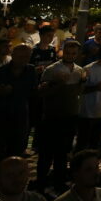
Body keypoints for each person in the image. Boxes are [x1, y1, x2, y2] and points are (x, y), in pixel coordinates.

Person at [38, 40, 86, 190]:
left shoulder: (79, 71)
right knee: (46, 151)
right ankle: (41, 182)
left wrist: (83, 82)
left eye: (73, 53)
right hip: (53, 116)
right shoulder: (52, 69)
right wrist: (57, 83)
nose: (70, 56)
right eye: (67, 53)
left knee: (63, 151)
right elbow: (42, 92)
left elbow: (79, 92)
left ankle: (59, 181)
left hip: (70, 115)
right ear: (62, 52)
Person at [77, 43, 101, 151]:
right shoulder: (88, 69)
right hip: (88, 113)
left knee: (95, 143)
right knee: (83, 143)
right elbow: (80, 90)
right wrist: (96, 88)